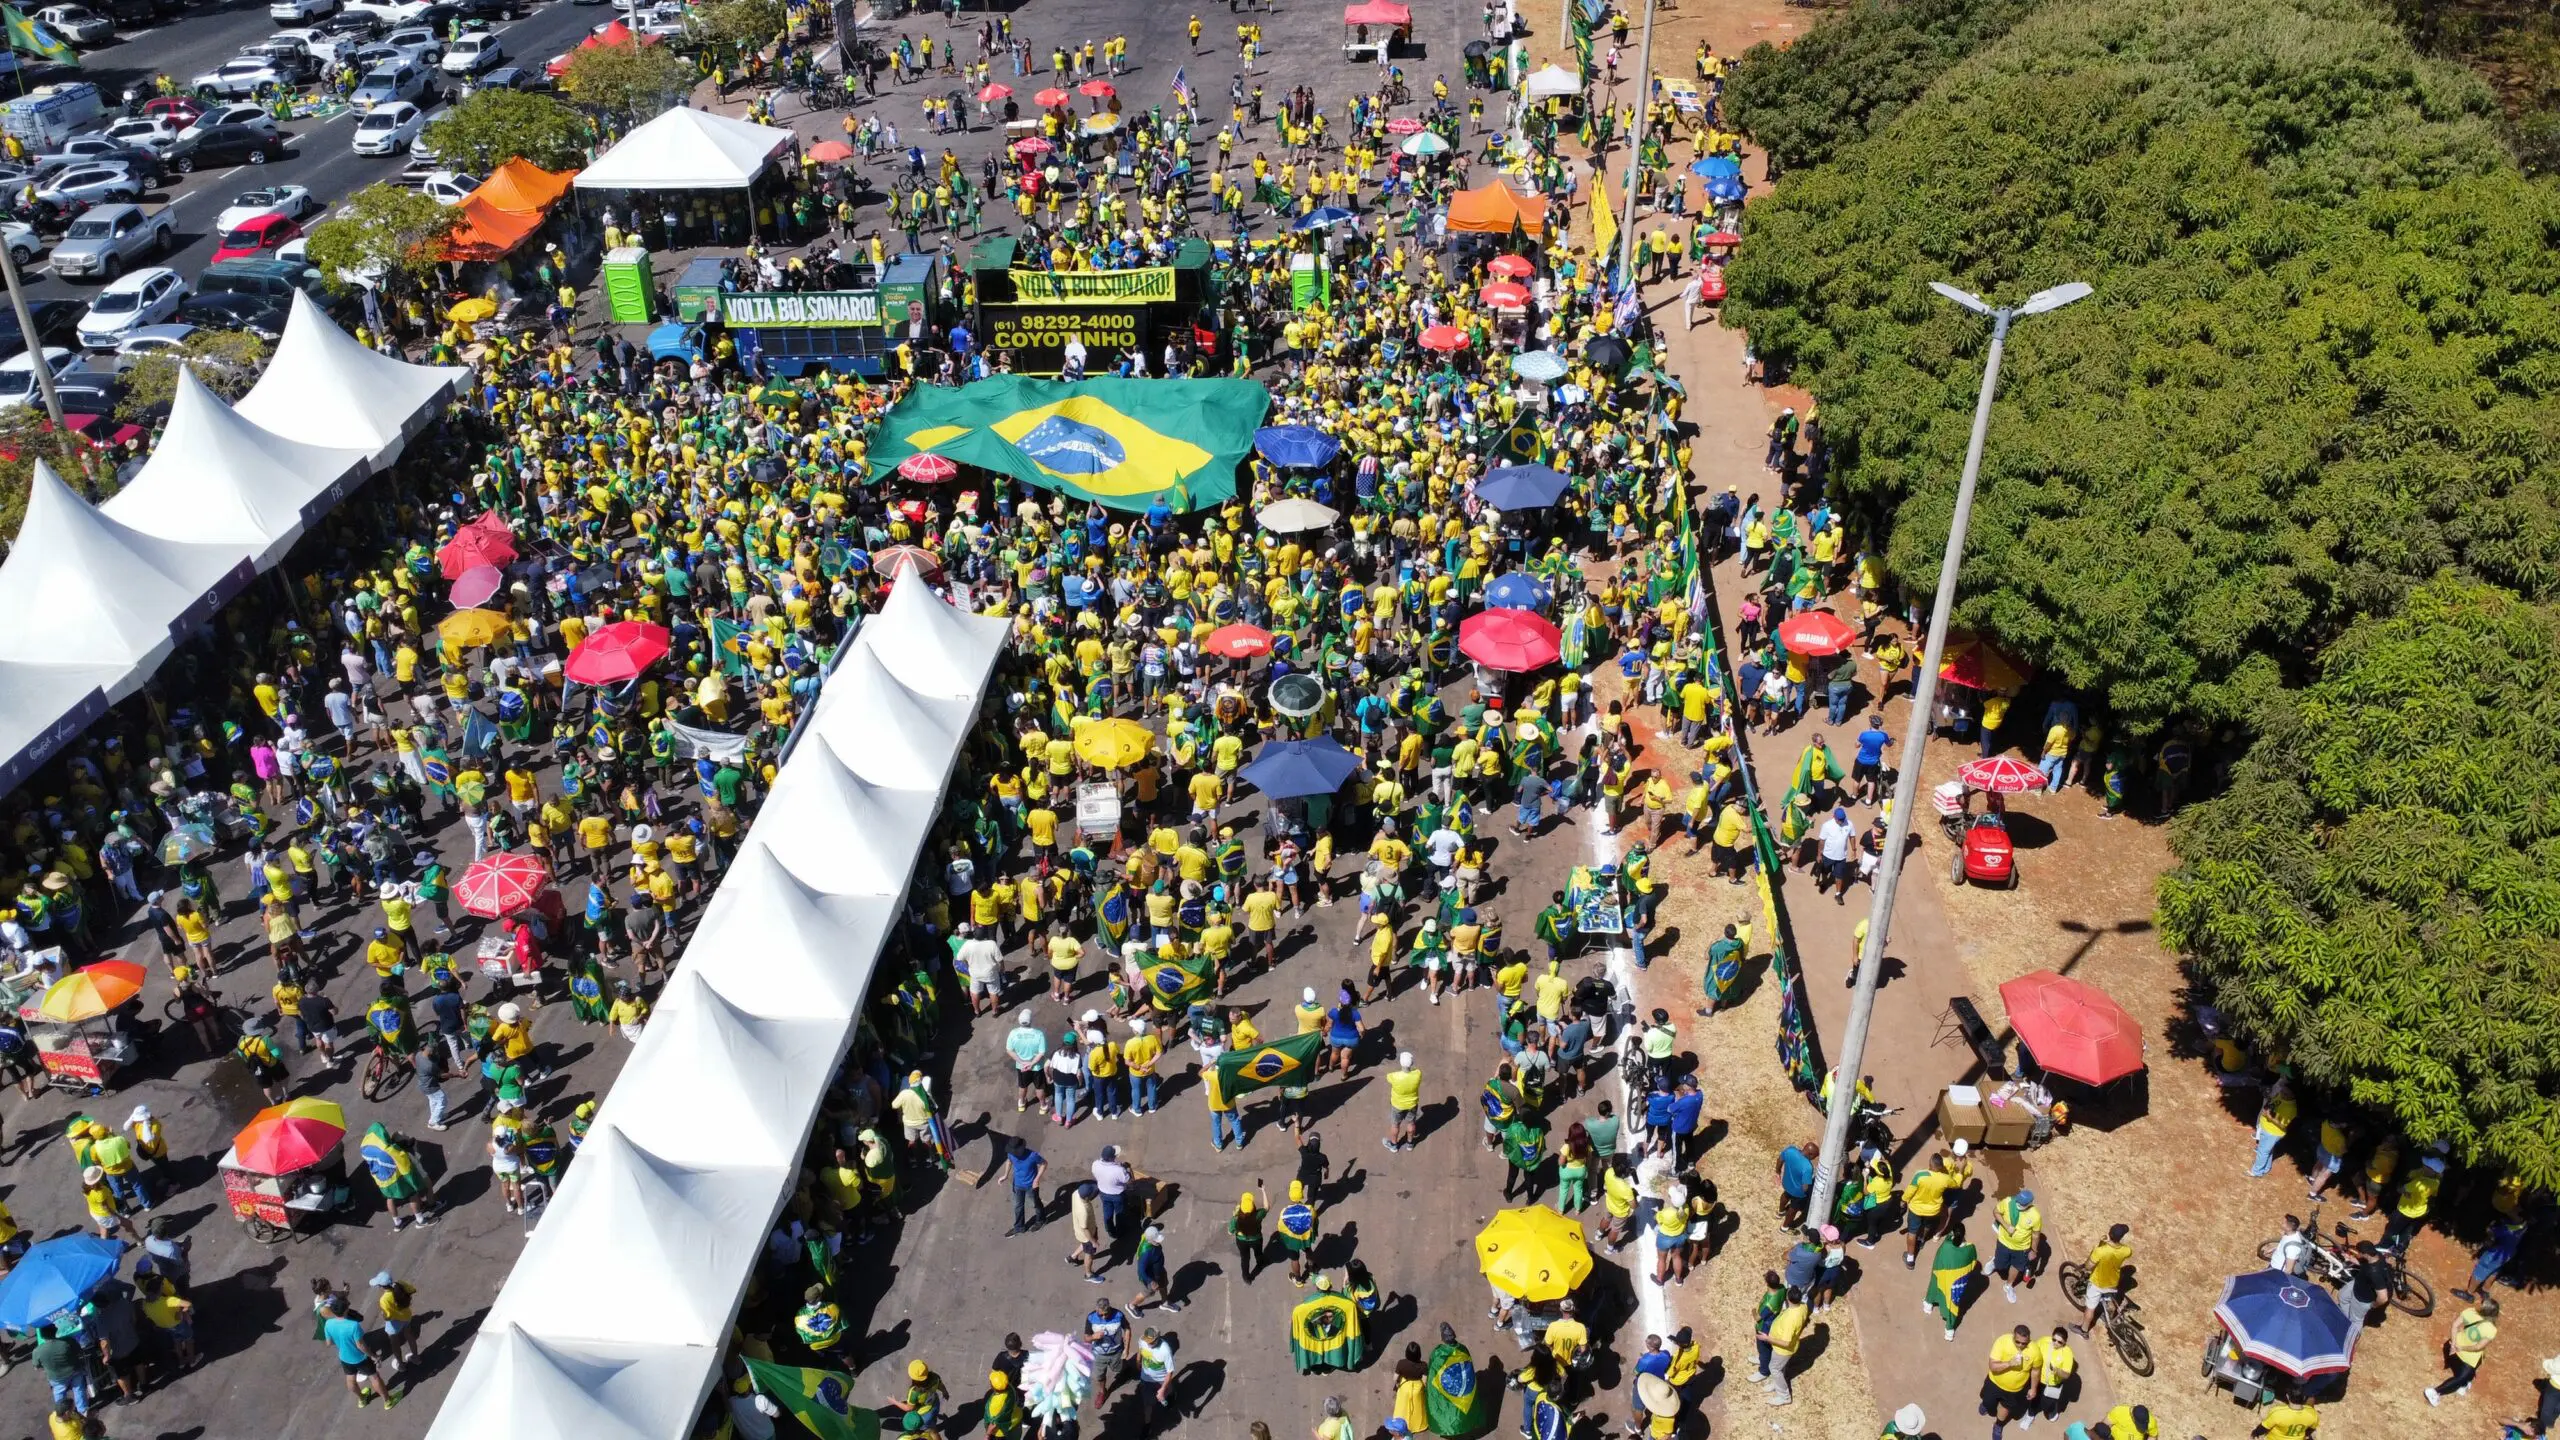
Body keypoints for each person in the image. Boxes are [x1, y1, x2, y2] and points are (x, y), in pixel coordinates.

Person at [319, 1295, 394, 1408]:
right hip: (360, 1358)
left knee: (350, 1379)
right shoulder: (353, 1325)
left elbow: (329, 1343)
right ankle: (387, 1401)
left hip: (344, 1357)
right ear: (346, 1310)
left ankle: (362, 1399)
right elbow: (361, 1345)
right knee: (374, 1377)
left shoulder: (328, 1324)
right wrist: (374, 1356)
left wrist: (341, 1342)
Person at [2425, 1298, 2498, 1406]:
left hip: (2452, 1347)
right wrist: (2461, 1348)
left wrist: (2454, 1344)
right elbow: (2477, 1347)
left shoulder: (2469, 1312)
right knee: (2463, 1377)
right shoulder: (2491, 1329)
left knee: (2466, 1373)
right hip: (2467, 1357)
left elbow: (2455, 1325)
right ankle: (2436, 1392)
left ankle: (2463, 1384)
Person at [1927, 1222, 1981, 1340]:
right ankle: (1949, 1330)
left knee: (1935, 1285)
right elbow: (1973, 1263)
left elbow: (1938, 1260)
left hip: (1942, 1276)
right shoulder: (1970, 1248)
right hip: (1957, 1282)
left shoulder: (1946, 1246)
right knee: (1953, 1303)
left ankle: (1928, 1304)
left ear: (1952, 1233)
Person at [1982, 1324, 2033, 1439]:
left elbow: (2036, 1370)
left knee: (2005, 1408)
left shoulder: (2033, 1350)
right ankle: (1986, 1405)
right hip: (1994, 1382)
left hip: (2013, 1390)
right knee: (1988, 1403)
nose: (2021, 1345)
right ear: (2012, 1338)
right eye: (2017, 1342)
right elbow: (1993, 1366)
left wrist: (2033, 1388)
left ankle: (1998, 1425)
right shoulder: (2002, 1342)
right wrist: (2009, 1364)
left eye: (2024, 1343)